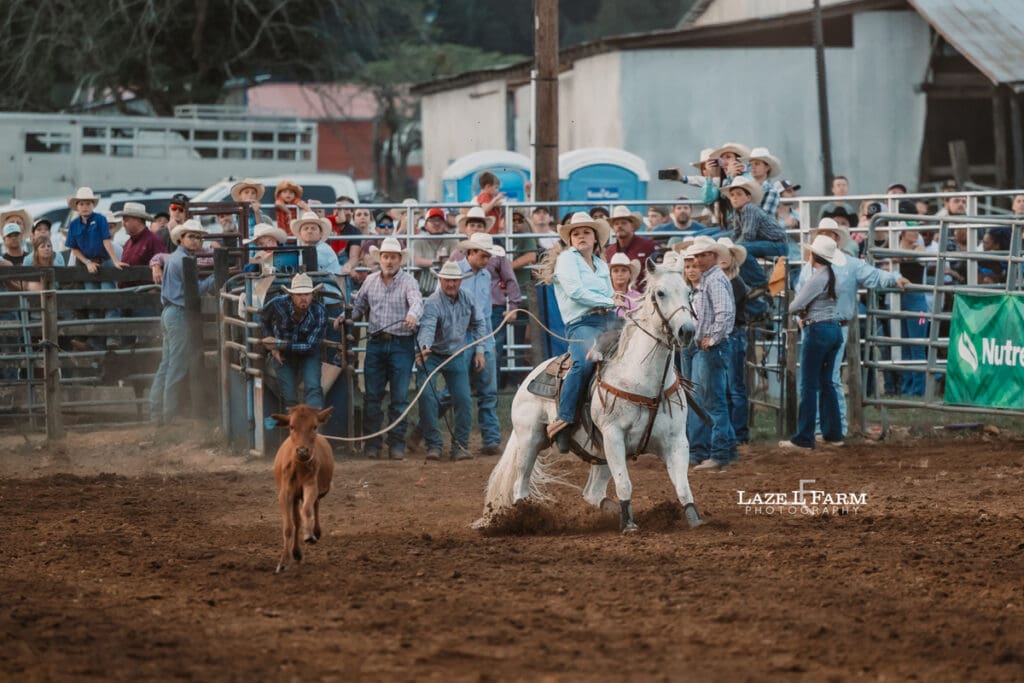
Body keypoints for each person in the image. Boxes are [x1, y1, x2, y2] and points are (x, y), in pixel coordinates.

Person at [796, 218, 909, 435]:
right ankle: (826, 429)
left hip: (835, 324)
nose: (824, 236)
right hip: (815, 325)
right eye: (821, 233)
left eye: (828, 233)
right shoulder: (810, 267)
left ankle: (831, 428)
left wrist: (894, 278)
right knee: (821, 379)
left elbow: (874, 276)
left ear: (836, 239)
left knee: (827, 379)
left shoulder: (848, 264)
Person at [541, 212, 616, 449]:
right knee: (582, 364)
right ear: (570, 240)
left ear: (595, 239)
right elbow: (576, 292)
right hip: (581, 323)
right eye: (576, 233)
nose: (581, 236)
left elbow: (609, 293)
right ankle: (564, 419)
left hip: (608, 321)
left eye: (586, 232)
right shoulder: (566, 259)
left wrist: (613, 302)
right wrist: (610, 301)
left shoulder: (602, 264)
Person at [348, 237, 423, 461]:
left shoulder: (409, 281)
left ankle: (396, 444)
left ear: (400, 260)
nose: (389, 261)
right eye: (385, 257)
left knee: (399, 397)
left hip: (402, 344)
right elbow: (358, 307)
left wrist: (412, 314)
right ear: (379, 259)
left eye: (393, 257)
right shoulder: (370, 281)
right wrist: (344, 318)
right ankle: (373, 444)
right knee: (373, 396)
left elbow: (417, 301)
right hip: (376, 343)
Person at [416, 260, 489, 462]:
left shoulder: (468, 298)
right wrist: (424, 348)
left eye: (455, 280)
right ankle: (434, 444)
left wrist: (480, 350)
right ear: (440, 280)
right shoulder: (432, 302)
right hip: (432, 355)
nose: (451, 284)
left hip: (456, 354)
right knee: (427, 397)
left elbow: (479, 323)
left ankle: (460, 445)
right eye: (447, 280)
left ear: (460, 281)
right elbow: (428, 327)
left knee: (463, 400)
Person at [780, 235, 846, 449]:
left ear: (812, 255)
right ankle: (834, 433)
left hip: (817, 329)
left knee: (809, 384)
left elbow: (794, 305)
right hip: (834, 328)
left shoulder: (818, 277)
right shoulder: (834, 275)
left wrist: (796, 309)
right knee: (827, 382)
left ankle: (805, 436)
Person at [149, 219, 216, 425]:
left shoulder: (176, 258)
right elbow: (195, 290)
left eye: (198, 237)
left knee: (167, 364)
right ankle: (169, 415)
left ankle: (156, 413)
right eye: (191, 236)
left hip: (170, 311)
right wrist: (217, 276)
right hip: (178, 312)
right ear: (181, 239)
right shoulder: (182, 261)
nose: (195, 241)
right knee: (176, 365)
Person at [448, 230, 505, 455]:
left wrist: (484, 340)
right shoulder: (454, 273)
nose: (486, 260)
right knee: (454, 390)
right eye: (483, 255)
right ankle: (424, 429)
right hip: (460, 337)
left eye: (488, 256)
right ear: (470, 253)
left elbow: (485, 311)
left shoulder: (485, 275)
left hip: (484, 335)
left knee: (488, 390)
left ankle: (491, 438)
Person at [686, 236, 737, 471]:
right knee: (710, 400)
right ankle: (718, 450)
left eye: (702, 255)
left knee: (713, 401)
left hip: (712, 347)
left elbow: (725, 313)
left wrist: (713, 337)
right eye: (696, 256)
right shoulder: (712, 279)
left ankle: (718, 454)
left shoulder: (714, 280)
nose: (697, 259)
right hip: (709, 347)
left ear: (713, 256)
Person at [722, 175, 787, 318]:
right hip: (766, 245)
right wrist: (730, 248)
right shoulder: (738, 212)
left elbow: (747, 236)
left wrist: (731, 249)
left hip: (778, 245)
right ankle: (754, 287)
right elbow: (736, 235)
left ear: (748, 197)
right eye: (732, 195)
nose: (734, 198)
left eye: (739, 194)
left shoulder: (750, 209)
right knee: (738, 249)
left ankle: (760, 282)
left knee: (741, 249)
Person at [261, 273, 328, 410]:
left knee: (313, 388)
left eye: (307, 294)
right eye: (298, 294)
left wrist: (278, 344)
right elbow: (262, 318)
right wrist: (273, 347)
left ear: (312, 295)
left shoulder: (320, 311)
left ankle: (312, 427)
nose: (303, 298)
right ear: (291, 295)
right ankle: (294, 427)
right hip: (284, 353)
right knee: (289, 397)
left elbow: (310, 346)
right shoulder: (277, 304)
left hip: (307, 352)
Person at [716, 237, 750, 445]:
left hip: (733, 334)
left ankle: (738, 433)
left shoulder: (736, 283)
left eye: (726, 254)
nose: (723, 258)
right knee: (728, 386)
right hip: (728, 334)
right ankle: (733, 432)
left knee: (734, 386)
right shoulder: (727, 282)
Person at [604, 205, 656, 290]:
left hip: (644, 296)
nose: (619, 226)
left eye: (624, 223)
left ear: (633, 226)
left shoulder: (648, 246)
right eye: (616, 224)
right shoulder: (609, 251)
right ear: (613, 228)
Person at [117, 202, 167, 287]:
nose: (123, 224)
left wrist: (157, 265)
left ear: (138, 220)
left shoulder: (153, 240)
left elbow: (165, 262)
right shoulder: (128, 243)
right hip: (129, 295)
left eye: (126, 220)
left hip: (145, 295)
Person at [747, 147, 782, 217]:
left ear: (767, 167)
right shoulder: (747, 188)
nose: (753, 167)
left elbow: (763, 218)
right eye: (750, 164)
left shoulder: (772, 191)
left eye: (757, 164)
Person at [608, 252, 642, 317]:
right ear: (610, 275)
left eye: (624, 270)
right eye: (615, 271)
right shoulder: (604, 296)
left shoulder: (638, 297)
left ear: (630, 274)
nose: (620, 274)